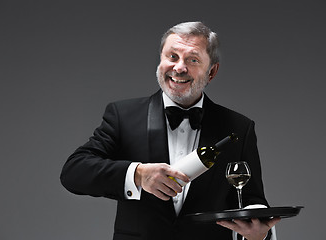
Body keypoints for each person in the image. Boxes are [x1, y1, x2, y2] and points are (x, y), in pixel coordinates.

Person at [60, 21, 279, 240]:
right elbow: (74, 172)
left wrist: (259, 235)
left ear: (212, 71)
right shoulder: (122, 115)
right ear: (160, 61)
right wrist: (138, 174)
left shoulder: (239, 127)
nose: (179, 67)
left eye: (193, 60)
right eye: (172, 57)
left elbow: (252, 201)